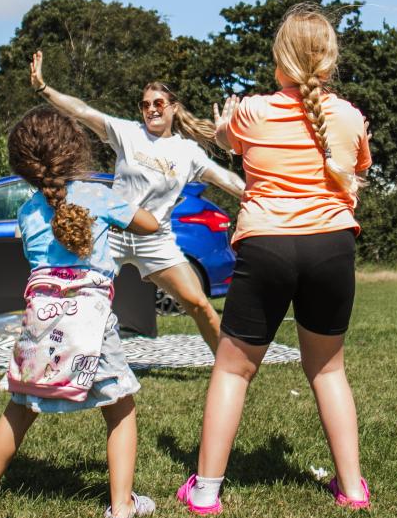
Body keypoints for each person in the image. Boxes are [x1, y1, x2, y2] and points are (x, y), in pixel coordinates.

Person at [176, 3, 373, 514]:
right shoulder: (350, 117)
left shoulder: (252, 111)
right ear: (329, 60)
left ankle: (205, 491)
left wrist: (222, 129)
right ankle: (352, 489)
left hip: (266, 245)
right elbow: (355, 172)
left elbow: (228, 141)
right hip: (333, 245)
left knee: (233, 370)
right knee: (328, 370)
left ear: (279, 59)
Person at [0, 107, 163, 518]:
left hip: (42, 322)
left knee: (20, 405)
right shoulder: (100, 197)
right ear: (75, 149)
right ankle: (122, 505)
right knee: (120, 408)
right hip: (92, 324)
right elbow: (148, 225)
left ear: (23, 166)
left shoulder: (27, 213)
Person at [29, 51, 245, 352]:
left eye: (158, 103)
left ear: (173, 108)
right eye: (145, 105)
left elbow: (228, 180)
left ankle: (230, 368)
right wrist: (43, 88)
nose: (151, 110)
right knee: (78, 300)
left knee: (198, 304)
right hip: (111, 236)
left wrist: (262, 196)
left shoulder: (188, 151)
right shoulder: (128, 133)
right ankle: (55, 361)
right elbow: (81, 111)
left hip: (154, 239)